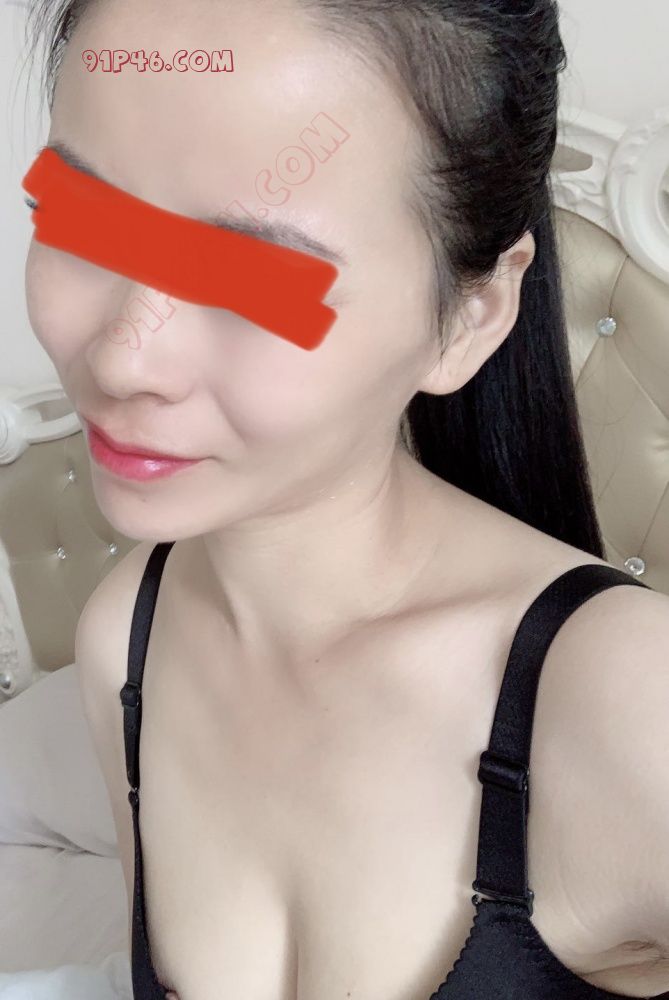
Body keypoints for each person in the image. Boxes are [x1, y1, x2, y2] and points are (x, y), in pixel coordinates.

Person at [23, 0, 669, 997]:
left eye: (247, 278)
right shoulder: (127, 642)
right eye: (86, 224)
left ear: (469, 315)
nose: (121, 360)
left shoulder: (630, 705)